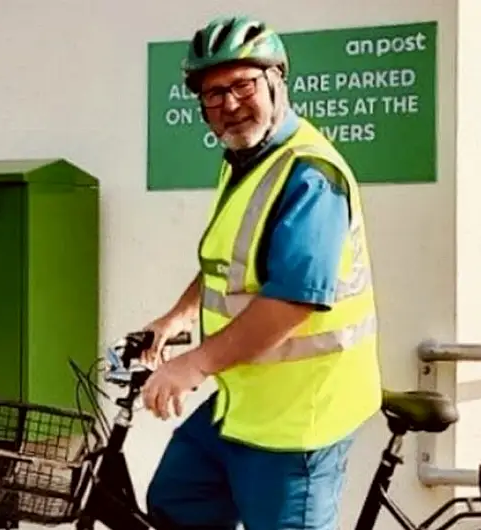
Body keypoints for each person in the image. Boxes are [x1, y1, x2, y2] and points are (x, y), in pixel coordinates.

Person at [139, 14, 382, 530]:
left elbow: (293, 300)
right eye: (212, 94)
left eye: (243, 85)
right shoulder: (244, 160)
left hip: (300, 422)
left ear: (276, 81)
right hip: (244, 403)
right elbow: (229, 264)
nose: (228, 104)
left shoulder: (310, 175)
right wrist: (177, 317)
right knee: (177, 500)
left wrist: (192, 365)